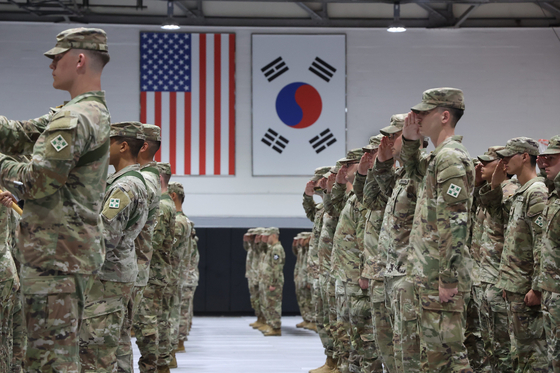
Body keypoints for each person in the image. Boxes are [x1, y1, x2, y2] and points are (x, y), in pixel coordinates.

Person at [0, 27, 111, 372]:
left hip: (57, 259)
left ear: (79, 60)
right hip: (62, 256)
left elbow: (37, 182)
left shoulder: (75, 118)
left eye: (56, 58)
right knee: (52, 353)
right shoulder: (82, 112)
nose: (51, 66)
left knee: (51, 360)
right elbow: (18, 135)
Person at [401, 87, 474, 372]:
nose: (416, 117)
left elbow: (455, 222)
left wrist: (448, 277)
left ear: (444, 116)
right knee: (435, 356)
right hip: (429, 273)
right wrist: (409, 142)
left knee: (449, 354)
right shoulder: (437, 157)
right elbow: (412, 172)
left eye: (423, 112)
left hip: (440, 275)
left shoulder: (450, 158)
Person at [79, 121, 149, 372]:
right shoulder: (128, 182)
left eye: (107, 142)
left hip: (108, 276)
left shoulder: (124, 187)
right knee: (117, 346)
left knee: (96, 350)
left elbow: (105, 235)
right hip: (117, 274)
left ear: (122, 146)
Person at [481, 137, 549, 372]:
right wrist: (495, 186)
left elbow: (542, 242)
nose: (504, 162)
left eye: (509, 156)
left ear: (525, 157)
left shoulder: (537, 192)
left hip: (526, 289)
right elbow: (499, 223)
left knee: (533, 356)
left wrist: (537, 286)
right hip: (514, 286)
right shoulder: (521, 192)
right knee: (518, 354)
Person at [373, 114, 422, 373]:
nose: (389, 142)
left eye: (395, 136)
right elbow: (376, 193)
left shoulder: (423, 170)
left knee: (411, 349)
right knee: (397, 346)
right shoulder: (402, 175)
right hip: (394, 271)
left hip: (410, 272)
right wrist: (381, 162)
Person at [473, 146, 518, 372]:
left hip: (499, 280)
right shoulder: (488, 192)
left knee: (504, 348)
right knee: (489, 345)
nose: (480, 166)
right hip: (486, 279)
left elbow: (514, 237)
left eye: (487, 162)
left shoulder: (509, 191)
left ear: (501, 166)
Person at [132, 124, 163, 373]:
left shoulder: (144, 180)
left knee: (142, 323)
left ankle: (152, 366)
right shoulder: (141, 177)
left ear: (142, 146)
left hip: (133, 264)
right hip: (134, 264)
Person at [539, 135, 560, 372]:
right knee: (553, 357)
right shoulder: (552, 196)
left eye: (551, 159)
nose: (544, 164)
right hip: (551, 291)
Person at [303, 166, 332, 334]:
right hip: (319, 269)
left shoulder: (335, 204)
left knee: (333, 317)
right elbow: (311, 212)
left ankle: (336, 357)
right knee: (321, 315)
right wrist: (307, 197)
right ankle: (330, 357)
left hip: (330, 269)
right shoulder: (322, 209)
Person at [155, 162, 177, 373]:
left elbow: (153, 242)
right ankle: (163, 361)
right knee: (160, 319)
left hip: (155, 274)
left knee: (155, 322)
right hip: (158, 273)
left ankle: (161, 363)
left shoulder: (162, 206)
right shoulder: (164, 204)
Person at [167, 182, 191, 367]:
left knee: (169, 316)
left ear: (173, 196)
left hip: (170, 275)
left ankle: (169, 354)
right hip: (169, 275)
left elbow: (166, 245)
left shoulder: (179, 222)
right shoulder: (177, 220)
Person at [261, 227, 286, 336]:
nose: (266, 238)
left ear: (274, 236)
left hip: (274, 282)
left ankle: (276, 327)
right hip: (268, 281)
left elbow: (277, 267)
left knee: (274, 305)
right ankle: (271, 325)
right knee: (269, 305)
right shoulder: (271, 248)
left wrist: (273, 283)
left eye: (268, 236)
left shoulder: (277, 249)